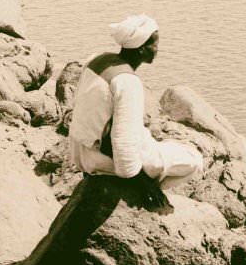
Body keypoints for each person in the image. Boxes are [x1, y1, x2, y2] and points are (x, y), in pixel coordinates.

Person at [69, 14, 202, 192]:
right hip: (105, 162)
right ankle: (147, 194)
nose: (157, 49)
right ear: (141, 49)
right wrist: (142, 183)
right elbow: (122, 142)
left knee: (167, 148)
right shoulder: (127, 82)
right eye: (154, 44)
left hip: (82, 153)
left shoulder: (98, 59)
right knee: (194, 160)